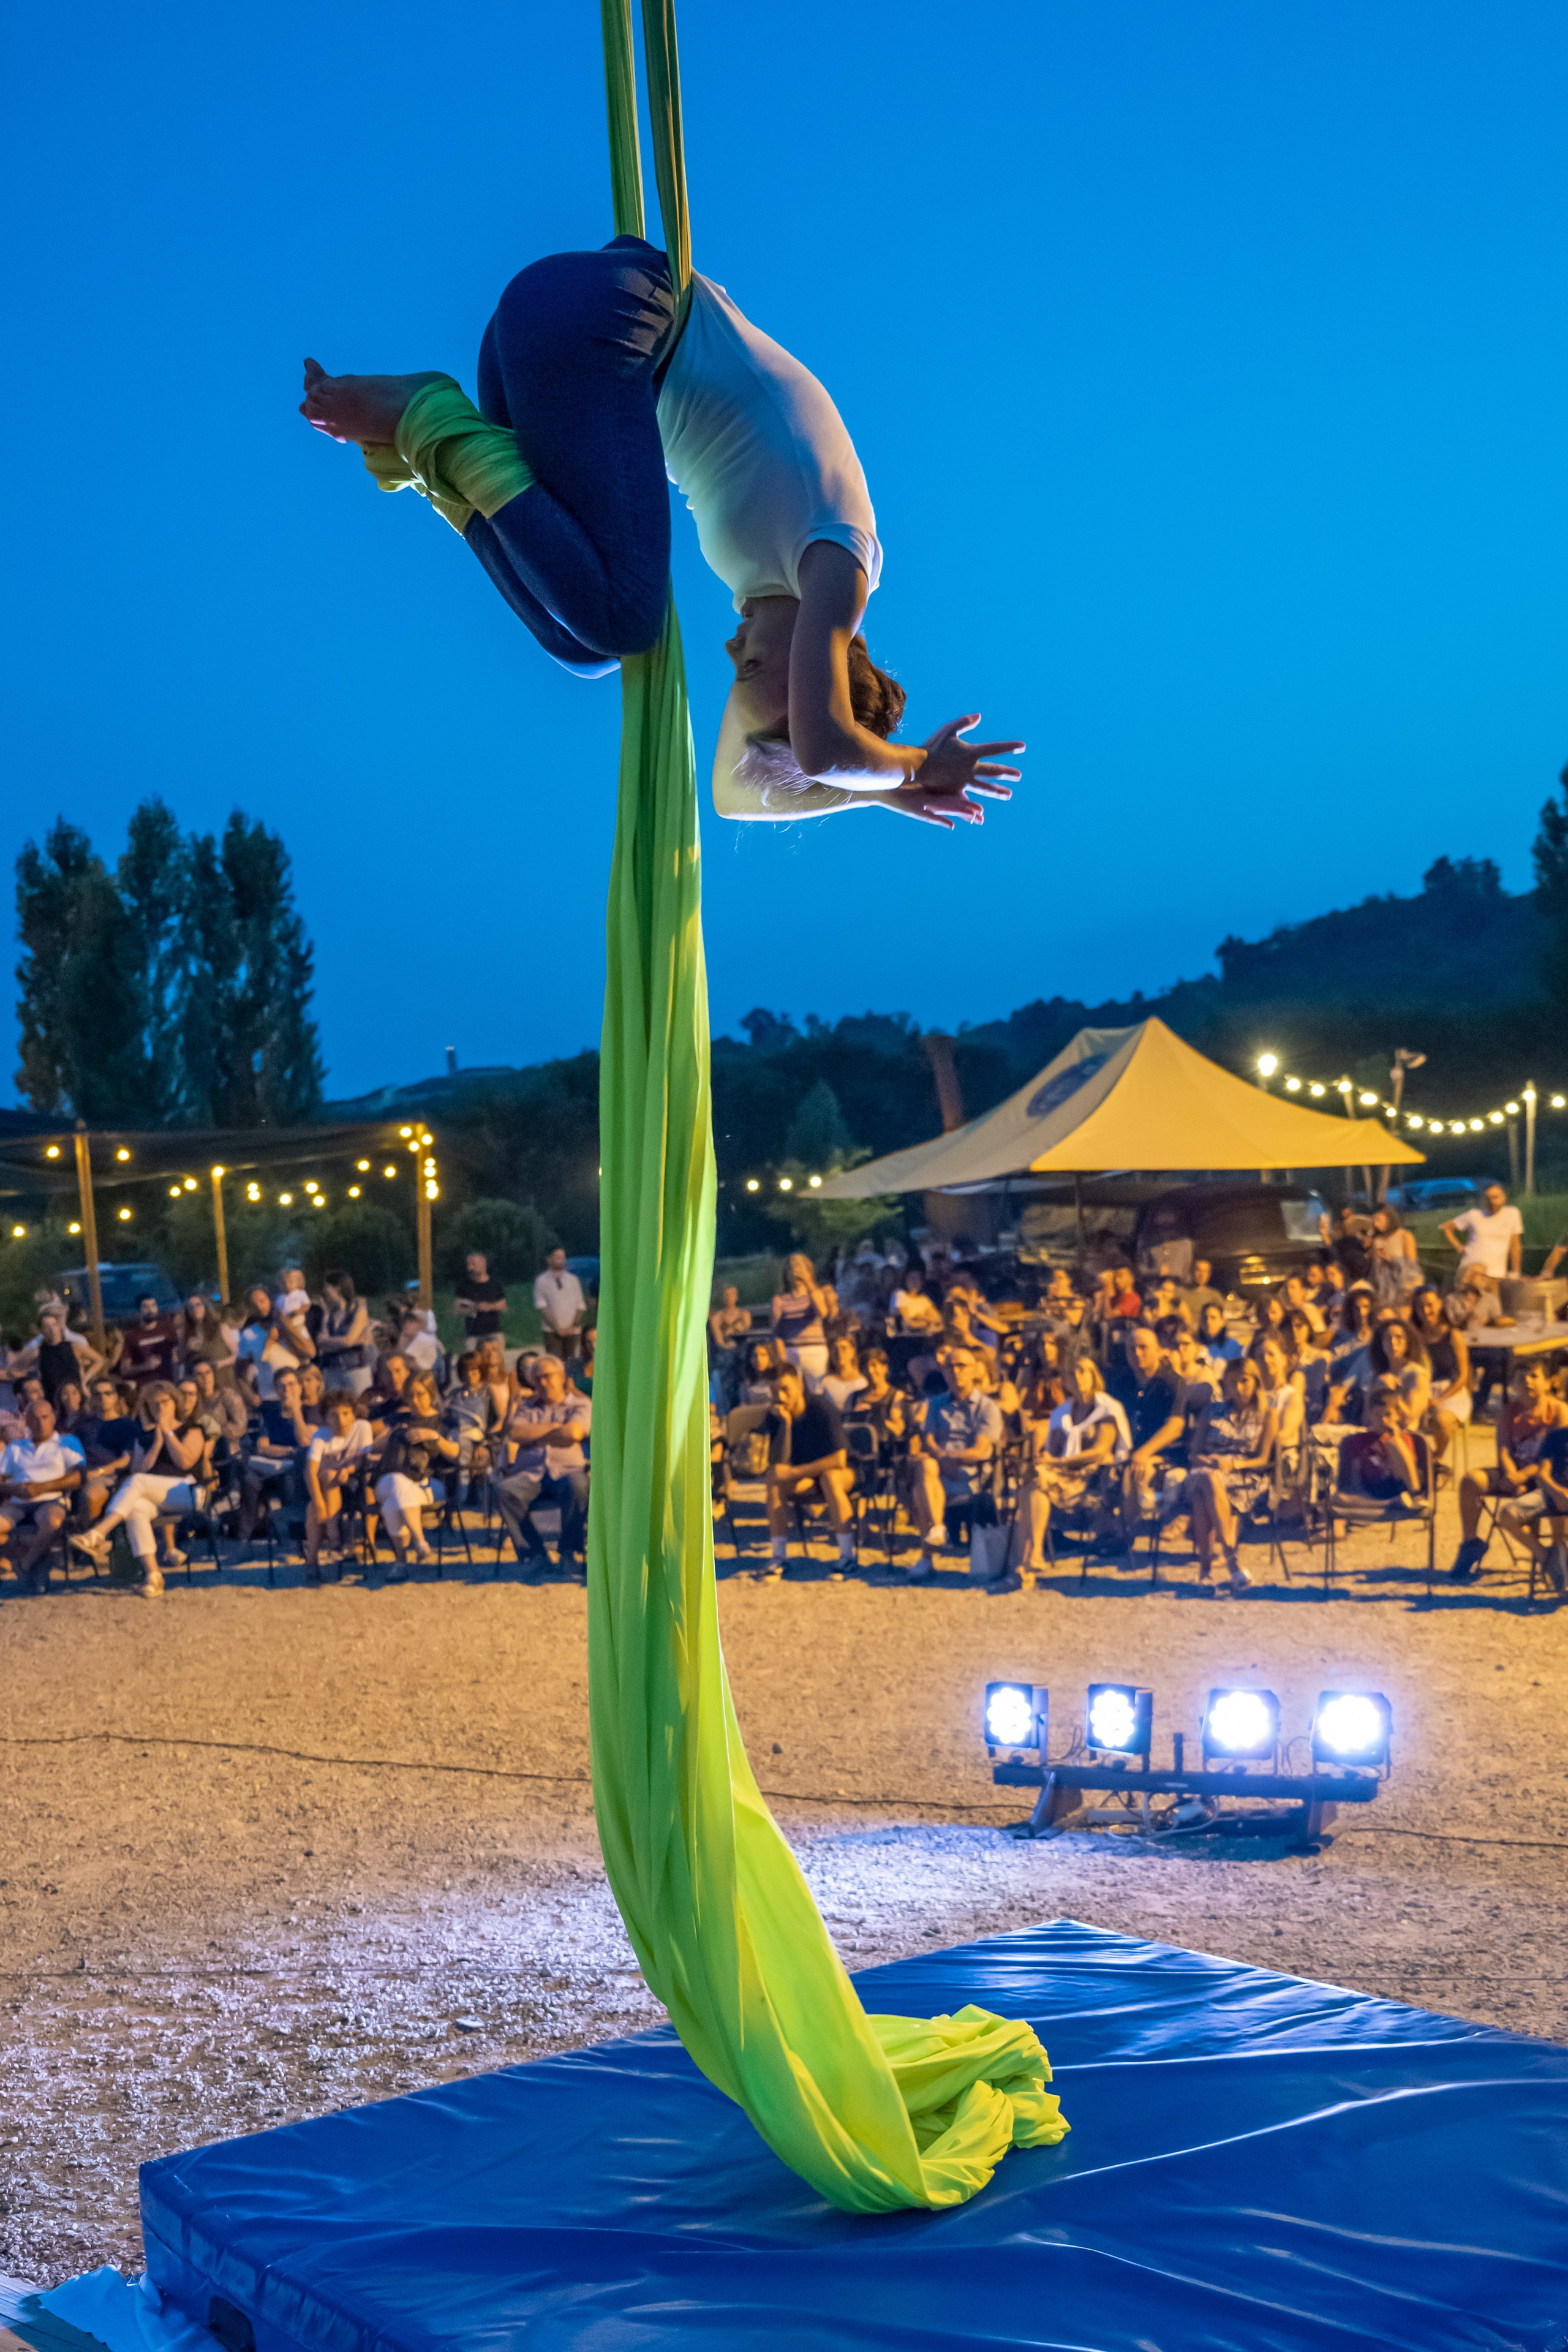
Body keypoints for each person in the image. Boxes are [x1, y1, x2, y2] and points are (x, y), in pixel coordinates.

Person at [301, 241, 1022, 834]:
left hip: (551, 367)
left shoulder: (767, 579)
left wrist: (874, 793)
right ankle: (425, 419)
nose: (731, 649)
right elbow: (826, 748)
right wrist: (910, 768)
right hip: (606, 317)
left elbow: (731, 795)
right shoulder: (840, 563)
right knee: (626, 620)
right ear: (825, 669)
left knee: (588, 652)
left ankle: (432, 456)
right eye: (752, 671)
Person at [69, 1383, 207, 1596]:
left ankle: (99, 1533)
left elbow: (185, 1462)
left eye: (165, 1402)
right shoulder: (144, 1437)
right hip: (157, 1496)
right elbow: (139, 1469)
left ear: (175, 1402)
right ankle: (153, 1576)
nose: (160, 1408)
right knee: (136, 1508)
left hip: (187, 1491)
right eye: (154, 1404)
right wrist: (157, 1442)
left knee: (139, 1482)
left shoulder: (192, 1429)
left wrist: (169, 1432)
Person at [1449, 1359, 1567, 1580]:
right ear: (1512, 1384)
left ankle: (1556, 1549)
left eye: (1534, 1376)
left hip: (1546, 1474)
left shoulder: (1559, 1411)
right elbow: (1503, 1448)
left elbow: (1556, 1458)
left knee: (1554, 1486)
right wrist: (1512, 1474)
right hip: (1513, 1470)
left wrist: (1523, 1476)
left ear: (1549, 1382)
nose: (1527, 1382)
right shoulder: (1509, 1411)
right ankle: (1471, 1543)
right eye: (1521, 1378)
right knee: (1470, 1481)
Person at [1014, 1355, 1128, 1576]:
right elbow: (1053, 1449)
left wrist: (1057, 1463)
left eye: (1082, 1371)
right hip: (1061, 1478)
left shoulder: (1107, 1409)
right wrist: (1045, 1456)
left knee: (1035, 1481)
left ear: (1094, 1376)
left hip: (1093, 1480)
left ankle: (1028, 1558)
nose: (1077, 1376)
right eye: (1071, 1372)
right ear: (1065, 1380)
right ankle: (1032, 1557)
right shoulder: (1062, 1413)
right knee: (1034, 1481)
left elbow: (1099, 1452)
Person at [1182, 1358, 1279, 1593]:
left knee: (1203, 1495)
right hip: (1207, 1470)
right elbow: (1194, 1453)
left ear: (1256, 1383)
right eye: (1232, 1382)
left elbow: (1264, 1459)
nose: (1238, 1387)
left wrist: (1232, 1465)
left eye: (1244, 1381)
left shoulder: (1268, 1414)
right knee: (1208, 1479)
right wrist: (1210, 1462)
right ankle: (1231, 1560)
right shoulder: (1211, 1411)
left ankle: (1205, 1573)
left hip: (1244, 1475)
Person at [907, 1348, 1003, 1578]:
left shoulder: (987, 1407)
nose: (955, 1372)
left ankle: (926, 1558)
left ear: (974, 1371)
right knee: (925, 1469)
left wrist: (946, 1458)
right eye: (950, 1367)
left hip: (973, 1473)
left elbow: (980, 1450)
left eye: (961, 1366)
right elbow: (928, 1439)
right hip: (939, 1471)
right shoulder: (936, 1404)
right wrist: (940, 1459)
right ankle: (938, 1528)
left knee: (923, 1485)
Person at [496, 1353, 591, 1572]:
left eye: (547, 1377)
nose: (542, 1383)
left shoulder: (580, 1404)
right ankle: (536, 1555)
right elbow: (516, 1433)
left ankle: (568, 1552)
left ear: (562, 1376)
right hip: (531, 1474)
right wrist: (557, 1428)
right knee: (504, 1490)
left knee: (579, 1487)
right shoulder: (527, 1407)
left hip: (568, 1471)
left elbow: (575, 1432)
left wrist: (536, 1435)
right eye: (537, 1379)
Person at [759, 1362, 854, 1576]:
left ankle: (847, 1556)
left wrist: (792, 1473)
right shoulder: (774, 1416)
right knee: (775, 1484)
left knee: (830, 1478)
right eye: (774, 1391)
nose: (780, 1396)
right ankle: (779, 1557)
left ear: (800, 1387)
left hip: (842, 1472)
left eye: (785, 1389)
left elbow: (839, 1459)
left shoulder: (821, 1408)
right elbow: (777, 1465)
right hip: (808, 1478)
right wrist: (786, 1425)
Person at [1104, 1325, 1187, 1561]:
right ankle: (1106, 1532)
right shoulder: (1120, 1382)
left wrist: (1142, 1453)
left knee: (1133, 1472)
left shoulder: (1173, 1383)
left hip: (1165, 1454)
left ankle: (1126, 1536)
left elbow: (1175, 1427)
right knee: (1104, 1469)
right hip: (1127, 1451)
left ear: (1158, 1351)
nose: (1137, 1353)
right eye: (1132, 1349)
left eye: (1143, 1348)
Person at [374, 1371, 460, 1572]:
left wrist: (434, 1437)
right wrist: (393, 1434)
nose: (414, 1400)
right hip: (391, 1478)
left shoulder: (445, 1421)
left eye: (420, 1394)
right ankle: (419, 1541)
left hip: (430, 1483)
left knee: (391, 1504)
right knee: (397, 1481)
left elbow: (457, 1454)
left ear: (431, 1394)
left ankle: (401, 1563)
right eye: (410, 1395)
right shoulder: (398, 1419)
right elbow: (375, 1446)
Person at [0, 1397, 85, 1592]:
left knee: (53, 1523)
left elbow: (78, 1477)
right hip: (17, 1501)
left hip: (51, 1499)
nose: (40, 1423)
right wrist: (16, 1490)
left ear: (53, 1417)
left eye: (45, 1417)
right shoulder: (16, 1447)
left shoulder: (67, 1442)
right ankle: (36, 1565)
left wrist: (43, 1487)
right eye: (35, 1419)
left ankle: (26, 1564)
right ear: (26, 1422)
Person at [235, 1365, 320, 1544]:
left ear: (299, 1386)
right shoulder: (272, 1415)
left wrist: (296, 1410)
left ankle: (297, 1534)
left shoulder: (311, 1411)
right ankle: (244, 1537)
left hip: (298, 1470)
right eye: (282, 1386)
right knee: (249, 1479)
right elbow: (262, 1447)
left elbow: (305, 1442)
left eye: (291, 1385)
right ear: (276, 1389)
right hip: (273, 1466)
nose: (287, 1390)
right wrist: (289, 1451)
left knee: (289, 1478)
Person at [303, 1390, 375, 1578]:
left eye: (346, 1414)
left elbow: (362, 1461)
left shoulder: (362, 1427)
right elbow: (310, 1471)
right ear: (326, 1418)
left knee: (329, 1476)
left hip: (354, 1485)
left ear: (353, 1414)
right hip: (327, 1488)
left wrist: (348, 1470)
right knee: (316, 1502)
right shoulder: (321, 1436)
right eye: (334, 1416)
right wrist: (319, 1503)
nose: (341, 1421)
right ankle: (331, 1540)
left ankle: (320, 1553)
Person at [1335, 1384, 1430, 1518]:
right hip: (1372, 1490)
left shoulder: (1403, 1439)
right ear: (1370, 1414)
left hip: (1400, 1487)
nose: (1382, 1420)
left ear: (1398, 1415)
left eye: (1388, 1414)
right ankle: (1390, 1504)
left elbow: (1410, 1469)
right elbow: (1352, 1480)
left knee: (1392, 1445)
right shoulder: (1358, 1440)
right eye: (1377, 1414)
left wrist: (1395, 1439)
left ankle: (1416, 1496)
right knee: (1339, 1498)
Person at [1410, 1284, 1472, 1457]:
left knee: (1441, 1420)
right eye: (1421, 1307)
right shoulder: (1414, 1337)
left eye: (1430, 1305)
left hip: (1451, 1391)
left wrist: (1441, 1399)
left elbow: (1463, 1376)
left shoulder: (1453, 1336)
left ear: (1439, 1304)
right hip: (1422, 1389)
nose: (1426, 1311)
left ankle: (1438, 1457)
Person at [8, 1306, 105, 1403]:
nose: (52, 1329)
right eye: (47, 1326)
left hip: (76, 1397)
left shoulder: (74, 1347)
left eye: (54, 1325)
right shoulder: (38, 1352)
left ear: (59, 1326)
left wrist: (85, 1380)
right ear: (42, 1331)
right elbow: (14, 1370)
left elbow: (99, 1360)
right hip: (53, 1400)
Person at [770, 1253, 833, 1387]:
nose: (795, 1272)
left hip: (815, 1350)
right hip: (791, 1351)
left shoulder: (816, 1293)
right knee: (793, 1389)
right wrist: (782, 1358)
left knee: (818, 1389)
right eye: (792, 1268)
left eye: (799, 1268)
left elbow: (823, 1312)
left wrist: (809, 1283)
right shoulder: (780, 1299)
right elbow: (776, 1331)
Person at [1442, 1181, 1524, 1282]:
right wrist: (1458, 1246)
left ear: (1504, 1197)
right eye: (1488, 1198)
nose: (1492, 1201)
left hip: (1496, 1273)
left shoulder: (1512, 1214)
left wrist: (1516, 1271)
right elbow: (1447, 1227)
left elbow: (1515, 1245)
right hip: (1470, 1271)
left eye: (1495, 1197)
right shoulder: (1474, 1215)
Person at [315, 1272, 374, 1396]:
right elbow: (320, 1342)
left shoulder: (359, 1310)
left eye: (327, 1287)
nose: (325, 1290)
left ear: (338, 1288)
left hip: (356, 1369)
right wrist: (356, 1340)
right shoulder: (328, 1313)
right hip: (332, 1370)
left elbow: (349, 1341)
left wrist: (330, 1342)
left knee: (360, 1404)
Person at [1368, 1318, 1431, 1429]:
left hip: (1407, 1436)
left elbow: (1409, 1419)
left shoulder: (1416, 1375)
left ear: (1408, 1341)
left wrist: (1392, 1393)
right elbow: (1366, 1419)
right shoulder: (1378, 1376)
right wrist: (1379, 1387)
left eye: (1399, 1337)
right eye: (1388, 1338)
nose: (1393, 1343)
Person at [532, 1248, 586, 1362]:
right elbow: (543, 1307)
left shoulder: (573, 1280)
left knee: (573, 1364)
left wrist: (572, 1326)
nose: (561, 1260)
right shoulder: (541, 1281)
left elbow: (580, 1306)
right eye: (557, 1257)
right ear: (549, 1259)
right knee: (556, 1363)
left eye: (563, 1257)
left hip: (572, 1332)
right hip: (552, 1332)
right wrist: (557, 1328)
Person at [116, 1295, 180, 1387]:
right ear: (139, 1310)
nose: (151, 1310)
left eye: (154, 1305)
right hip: (145, 1385)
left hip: (168, 1383)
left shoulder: (168, 1329)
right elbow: (124, 1370)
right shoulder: (132, 1336)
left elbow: (178, 1355)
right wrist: (145, 1366)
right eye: (146, 1307)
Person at [454, 1252, 508, 1353]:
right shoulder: (464, 1286)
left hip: (494, 1333)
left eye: (473, 1264)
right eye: (468, 1264)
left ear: (483, 1263)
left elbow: (503, 1305)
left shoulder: (495, 1284)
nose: (470, 1268)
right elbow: (457, 1309)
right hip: (473, 1335)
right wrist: (475, 1308)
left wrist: (490, 1307)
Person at [1370, 1205, 1422, 1308]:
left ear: (1390, 1218)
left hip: (1404, 1288)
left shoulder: (1404, 1236)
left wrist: (1389, 1259)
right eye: (1374, 1221)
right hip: (1385, 1291)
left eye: (1379, 1220)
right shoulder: (1377, 1241)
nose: (1376, 1224)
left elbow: (1412, 1266)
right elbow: (1377, 1270)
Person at [175, 1292, 233, 1381]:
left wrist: (218, 1364)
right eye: (191, 1307)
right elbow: (180, 1361)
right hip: (202, 1385)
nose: (195, 1309)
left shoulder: (221, 1327)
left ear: (205, 1306)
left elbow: (238, 1355)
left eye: (198, 1305)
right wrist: (187, 1348)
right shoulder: (186, 1334)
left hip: (223, 1380)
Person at [820, 1333, 868, 1415]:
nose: (839, 1353)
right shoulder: (826, 1382)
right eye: (836, 1350)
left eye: (844, 1349)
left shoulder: (863, 1383)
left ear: (853, 1351)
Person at [707, 1284, 752, 1353]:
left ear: (737, 1297)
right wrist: (727, 1347)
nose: (729, 1298)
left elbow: (747, 1335)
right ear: (723, 1297)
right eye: (727, 1295)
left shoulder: (744, 1315)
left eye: (732, 1294)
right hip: (724, 1353)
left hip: (744, 1352)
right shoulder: (717, 1318)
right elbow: (719, 1341)